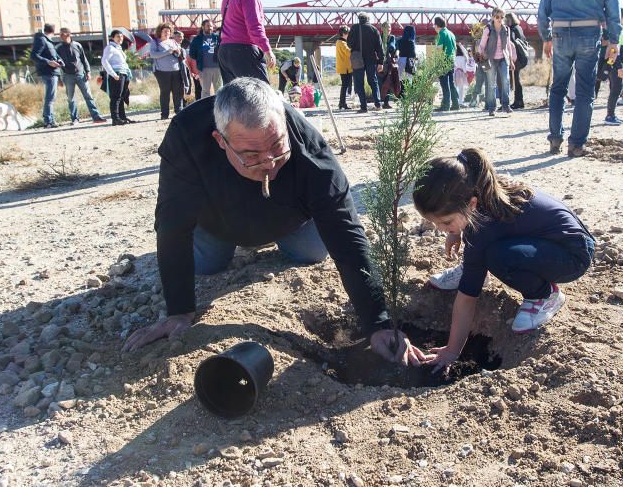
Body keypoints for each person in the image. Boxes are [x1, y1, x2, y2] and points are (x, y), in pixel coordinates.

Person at [123, 78, 428, 367]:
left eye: (277, 146)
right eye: (251, 155)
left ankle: (277, 235)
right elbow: (172, 223)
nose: (269, 162)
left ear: (283, 119)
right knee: (206, 264)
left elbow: (347, 235)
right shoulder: (186, 135)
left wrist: (378, 322)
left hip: (289, 221)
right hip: (216, 222)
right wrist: (179, 311)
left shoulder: (312, 154)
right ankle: (224, 243)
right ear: (220, 140)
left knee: (311, 252)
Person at [412, 148, 595, 373]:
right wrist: (455, 231)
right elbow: (479, 228)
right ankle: (475, 267)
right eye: (437, 223)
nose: (440, 229)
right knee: (486, 250)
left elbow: (467, 299)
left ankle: (544, 295)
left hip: (571, 255)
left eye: (446, 223)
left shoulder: (483, 227)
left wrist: (452, 351)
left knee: (498, 256)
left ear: (470, 204)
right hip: (546, 242)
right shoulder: (478, 187)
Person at [539, 0, 621, 157]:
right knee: (585, 91)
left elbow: (543, 8)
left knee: (558, 88)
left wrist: (546, 37)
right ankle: (576, 145)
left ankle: (554, 139)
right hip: (588, 33)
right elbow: (613, 8)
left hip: (561, 34)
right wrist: (614, 40)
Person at [219, 0, 276, 84]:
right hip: (244, 49)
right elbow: (255, 27)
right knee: (261, 93)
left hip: (225, 50)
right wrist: (267, 50)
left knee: (234, 96)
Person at [55, 27, 106, 124]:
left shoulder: (77, 46)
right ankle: (75, 119)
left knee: (88, 96)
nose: (61, 36)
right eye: (60, 34)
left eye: (63, 34)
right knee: (71, 98)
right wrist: (59, 79)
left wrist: (88, 72)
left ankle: (96, 117)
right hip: (67, 76)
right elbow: (56, 64)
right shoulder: (58, 48)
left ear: (69, 34)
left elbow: (84, 59)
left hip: (81, 75)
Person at [478, 7, 515, 116]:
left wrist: (511, 60)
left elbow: (509, 46)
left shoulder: (506, 29)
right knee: (491, 84)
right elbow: (482, 44)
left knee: (505, 81)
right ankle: (491, 108)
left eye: (502, 17)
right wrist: (480, 55)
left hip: (503, 58)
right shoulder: (488, 29)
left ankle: (506, 105)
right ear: (493, 17)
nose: (499, 19)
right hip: (491, 59)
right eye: (497, 17)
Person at [346, 12, 384, 113]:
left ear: (359, 19)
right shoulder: (374, 29)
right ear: (368, 19)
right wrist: (381, 62)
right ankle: (378, 103)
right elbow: (380, 48)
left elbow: (349, 44)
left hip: (357, 59)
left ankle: (363, 107)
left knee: (359, 83)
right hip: (371, 59)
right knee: (373, 81)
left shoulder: (354, 28)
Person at [31, 23, 64, 128]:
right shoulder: (42, 39)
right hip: (48, 72)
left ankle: (50, 120)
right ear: (54, 32)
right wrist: (49, 62)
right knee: (50, 97)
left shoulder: (47, 41)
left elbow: (52, 54)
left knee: (51, 97)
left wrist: (59, 60)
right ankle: (48, 121)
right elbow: (34, 55)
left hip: (52, 72)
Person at [150, 23, 185, 120]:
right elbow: (153, 55)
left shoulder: (173, 41)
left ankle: (179, 111)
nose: (167, 33)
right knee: (165, 92)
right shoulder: (155, 42)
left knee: (178, 92)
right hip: (162, 72)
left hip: (176, 70)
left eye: (169, 31)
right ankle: (164, 114)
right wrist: (168, 52)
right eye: (165, 31)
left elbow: (180, 54)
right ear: (160, 32)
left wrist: (178, 52)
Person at [101, 29, 133, 126]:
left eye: (122, 36)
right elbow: (104, 61)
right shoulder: (110, 48)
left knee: (122, 97)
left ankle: (122, 117)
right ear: (113, 38)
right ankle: (115, 119)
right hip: (117, 74)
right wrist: (113, 74)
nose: (120, 38)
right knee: (116, 97)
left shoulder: (118, 48)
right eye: (118, 36)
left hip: (123, 73)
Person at [603, 15, 623, 126]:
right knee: (616, 90)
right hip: (616, 65)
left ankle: (612, 115)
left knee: (615, 90)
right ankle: (610, 116)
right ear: (622, 17)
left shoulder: (622, 31)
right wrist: (619, 67)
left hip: (617, 65)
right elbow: (615, 51)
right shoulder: (617, 31)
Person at [188, 19, 222, 99]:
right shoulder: (197, 39)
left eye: (211, 26)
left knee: (219, 90)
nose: (210, 28)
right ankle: (205, 108)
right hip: (204, 69)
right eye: (208, 26)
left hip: (217, 68)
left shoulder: (218, 38)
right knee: (205, 91)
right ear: (203, 27)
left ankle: (219, 108)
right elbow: (192, 54)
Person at [434, 16, 460, 111]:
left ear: (437, 25)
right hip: (452, 60)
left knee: (444, 84)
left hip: (444, 60)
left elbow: (440, 49)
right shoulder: (451, 33)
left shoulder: (441, 33)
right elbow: (456, 48)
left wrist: (436, 63)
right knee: (451, 83)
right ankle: (456, 104)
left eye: (434, 25)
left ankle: (446, 105)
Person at [504, 12, 528, 109]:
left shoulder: (512, 29)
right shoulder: (519, 28)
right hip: (522, 56)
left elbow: (512, 42)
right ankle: (519, 101)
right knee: (516, 79)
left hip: (516, 57)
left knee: (515, 80)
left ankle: (518, 101)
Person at [336, 26, 353, 110]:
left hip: (344, 68)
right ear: (343, 33)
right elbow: (348, 53)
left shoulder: (340, 42)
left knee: (344, 86)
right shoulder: (342, 43)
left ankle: (342, 103)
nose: (348, 35)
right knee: (345, 86)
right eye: (347, 33)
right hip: (345, 68)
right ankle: (342, 103)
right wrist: (353, 48)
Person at [379, 36, 398, 109]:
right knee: (382, 83)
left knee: (388, 83)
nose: (388, 29)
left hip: (388, 64)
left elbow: (395, 48)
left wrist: (396, 55)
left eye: (389, 27)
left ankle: (385, 103)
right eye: (386, 27)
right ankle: (381, 102)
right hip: (381, 63)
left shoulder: (392, 37)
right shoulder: (380, 37)